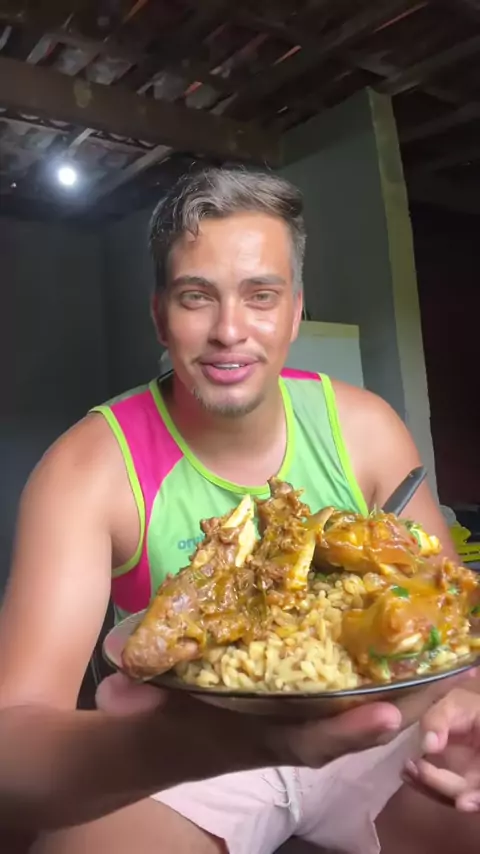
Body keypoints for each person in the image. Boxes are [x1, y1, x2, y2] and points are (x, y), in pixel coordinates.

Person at [0, 167, 477, 854]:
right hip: (180, 744)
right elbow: (12, 746)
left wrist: (465, 699)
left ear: (295, 312)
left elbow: (455, 625)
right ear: (160, 316)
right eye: (197, 297)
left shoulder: (368, 428)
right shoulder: (87, 468)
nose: (229, 330)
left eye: (261, 296)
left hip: (379, 725)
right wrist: (179, 747)